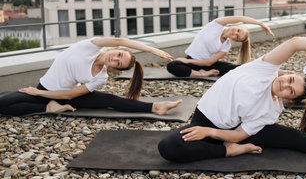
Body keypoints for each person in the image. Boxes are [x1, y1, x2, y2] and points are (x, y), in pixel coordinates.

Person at [158, 36, 306, 163]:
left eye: (290, 91)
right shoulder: (263, 69)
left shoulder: (271, 110)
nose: (285, 85)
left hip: (225, 130)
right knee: (169, 147)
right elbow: (295, 43)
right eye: (291, 80)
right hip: (203, 117)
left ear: (289, 100)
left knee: (298, 140)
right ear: (288, 73)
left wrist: (211, 134)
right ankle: (228, 152)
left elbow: (239, 134)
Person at [0, 37, 182, 116]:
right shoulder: (89, 46)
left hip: (61, 96)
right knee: (4, 104)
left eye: (118, 63)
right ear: (116, 49)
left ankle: (156, 107)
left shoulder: (101, 77)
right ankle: (48, 108)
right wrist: (151, 49)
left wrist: (40, 95)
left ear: (115, 68)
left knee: (110, 99)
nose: (115, 58)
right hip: (43, 89)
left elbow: (69, 96)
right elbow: (120, 40)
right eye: (119, 54)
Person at [166, 16, 274, 77]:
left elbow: (209, 62)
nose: (234, 33)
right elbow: (241, 18)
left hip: (204, 64)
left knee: (235, 69)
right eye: (238, 30)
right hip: (192, 62)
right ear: (236, 25)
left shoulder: (226, 45)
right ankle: (200, 74)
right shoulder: (216, 25)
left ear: (235, 40)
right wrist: (260, 23)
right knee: (172, 65)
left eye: (237, 37)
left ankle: (269, 71)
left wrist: (188, 62)